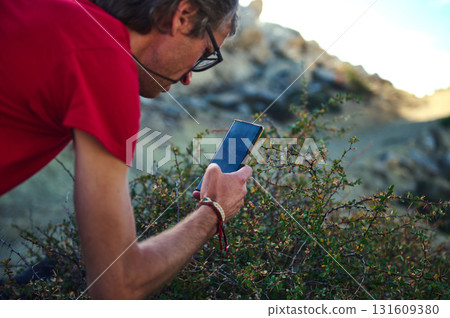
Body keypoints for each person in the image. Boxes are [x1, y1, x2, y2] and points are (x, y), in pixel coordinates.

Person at [0, 0, 252, 299]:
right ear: (183, 17)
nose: (187, 78)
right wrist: (214, 210)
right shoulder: (105, 61)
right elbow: (117, 285)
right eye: (204, 55)